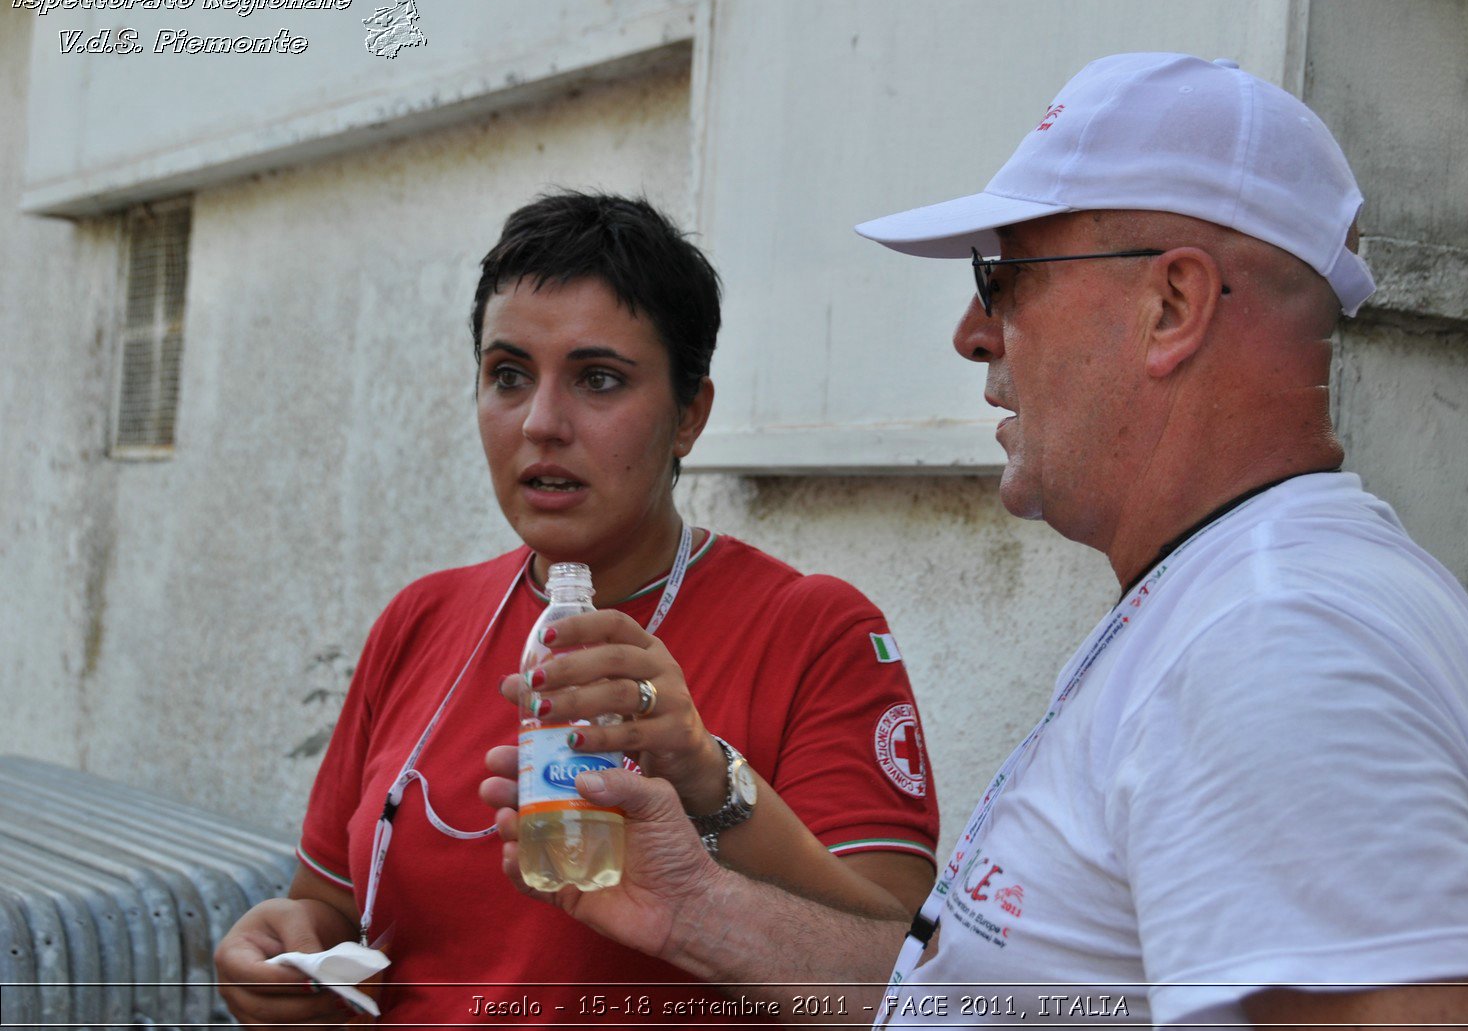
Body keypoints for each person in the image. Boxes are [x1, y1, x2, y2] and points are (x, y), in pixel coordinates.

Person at [479, 53, 1468, 1028]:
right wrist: (693, 908)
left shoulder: (1275, 643)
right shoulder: (1238, 601)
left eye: (1003, 274)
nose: (971, 331)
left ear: (1171, 304)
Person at [213, 193, 939, 1026]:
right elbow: (332, 905)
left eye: (599, 380)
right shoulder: (423, 618)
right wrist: (290, 948)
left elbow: (902, 969)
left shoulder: (812, 631)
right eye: (508, 375)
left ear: (690, 416)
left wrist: (710, 781)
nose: (541, 423)